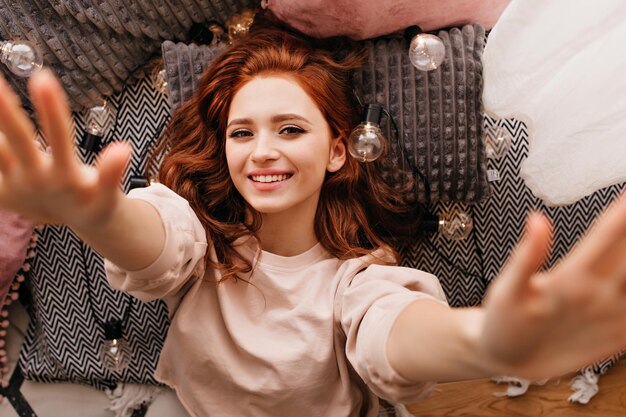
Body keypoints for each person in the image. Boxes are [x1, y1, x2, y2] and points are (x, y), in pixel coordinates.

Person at [1, 18, 626, 417]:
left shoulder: (358, 279)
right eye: (242, 132)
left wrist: (479, 342)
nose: (263, 150)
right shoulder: (201, 244)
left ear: (336, 151)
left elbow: (393, 334)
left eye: (290, 129)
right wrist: (97, 216)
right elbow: (155, 242)